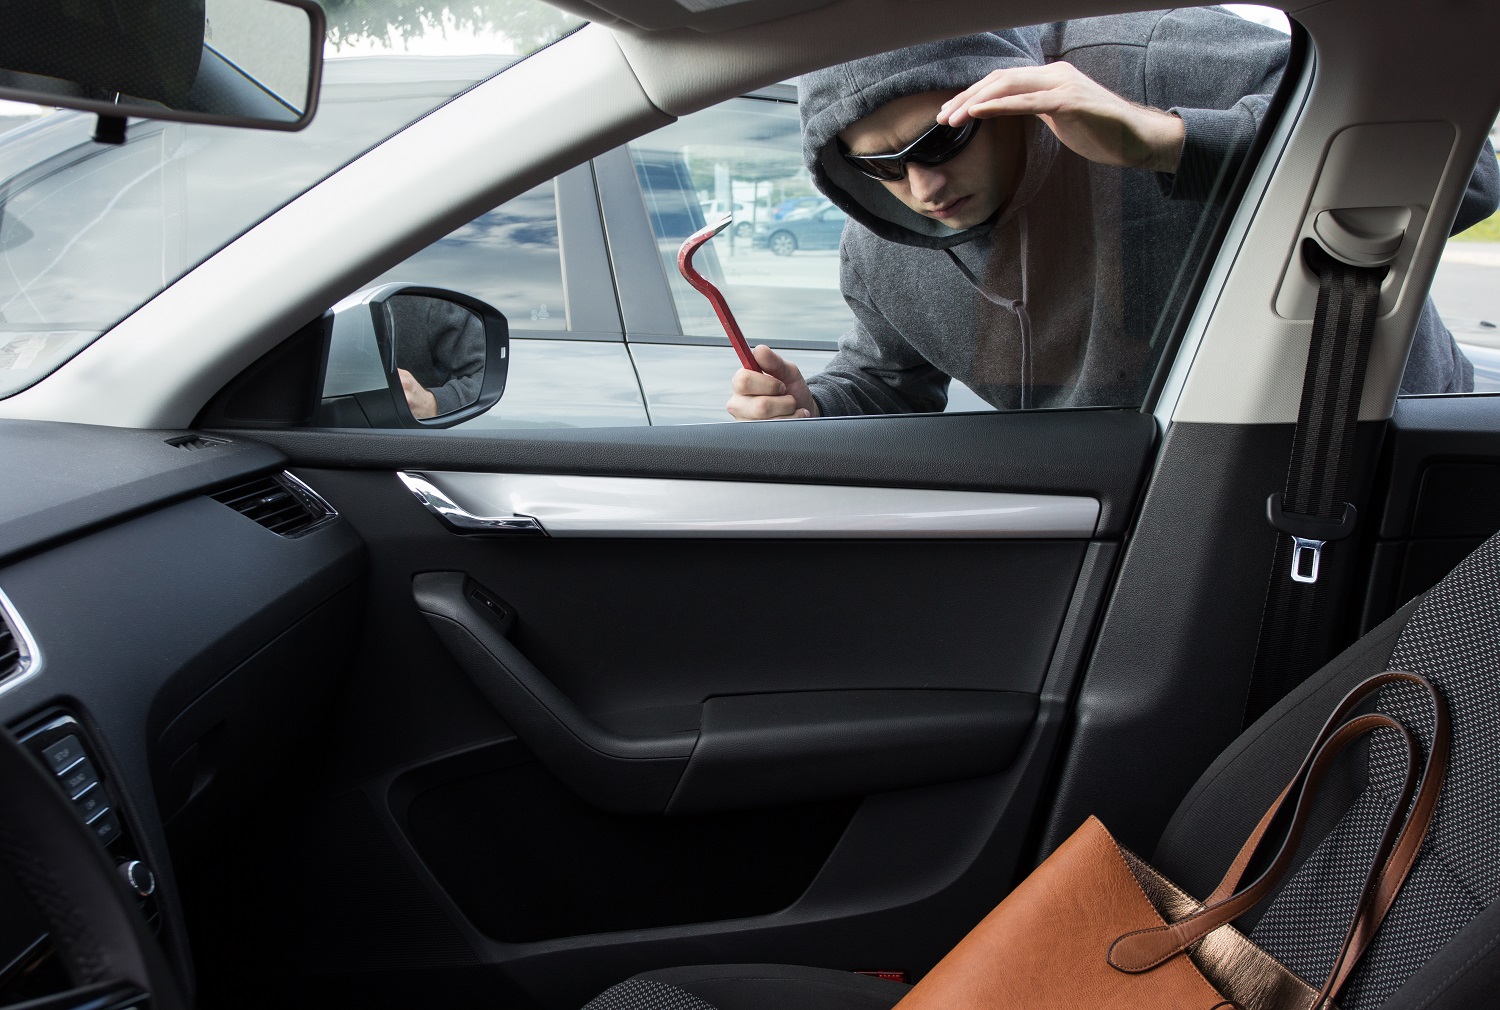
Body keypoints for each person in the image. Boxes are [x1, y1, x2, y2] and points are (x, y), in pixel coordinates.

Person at [726, 11, 1500, 420]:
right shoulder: (879, 248)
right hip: (1166, 503)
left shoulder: (1153, 55)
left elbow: (1467, 178)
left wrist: (1165, 141)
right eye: (880, 165)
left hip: (1381, 445)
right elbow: (888, 381)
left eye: (946, 137)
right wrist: (812, 405)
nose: (922, 186)